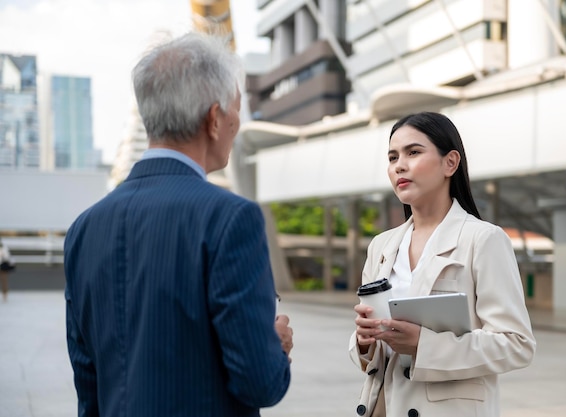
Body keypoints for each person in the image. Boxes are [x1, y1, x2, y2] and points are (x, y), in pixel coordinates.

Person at [64, 32, 293, 417]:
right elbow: (260, 382)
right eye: (235, 111)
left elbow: (88, 385)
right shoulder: (231, 218)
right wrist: (273, 347)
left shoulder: (85, 228)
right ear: (215, 119)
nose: (237, 125)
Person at [349, 112, 536, 417]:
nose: (399, 165)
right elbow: (372, 355)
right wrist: (364, 340)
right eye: (393, 157)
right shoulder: (381, 246)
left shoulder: (484, 239)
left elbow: (517, 344)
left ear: (450, 163)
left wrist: (424, 345)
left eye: (413, 152)